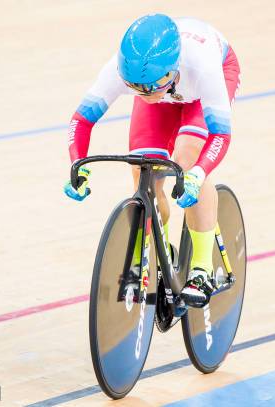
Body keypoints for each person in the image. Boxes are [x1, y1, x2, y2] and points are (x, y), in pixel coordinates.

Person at [63, 14, 240, 306]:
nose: (143, 94)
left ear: (169, 72)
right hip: (167, 95)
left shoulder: (202, 66)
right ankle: (160, 251)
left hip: (203, 88)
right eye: (134, 87)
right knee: (142, 166)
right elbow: (81, 120)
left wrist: (199, 172)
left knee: (187, 161)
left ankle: (201, 268)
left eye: (149, 86)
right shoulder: (131, 75)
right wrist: (76, 164)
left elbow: (220, 135)